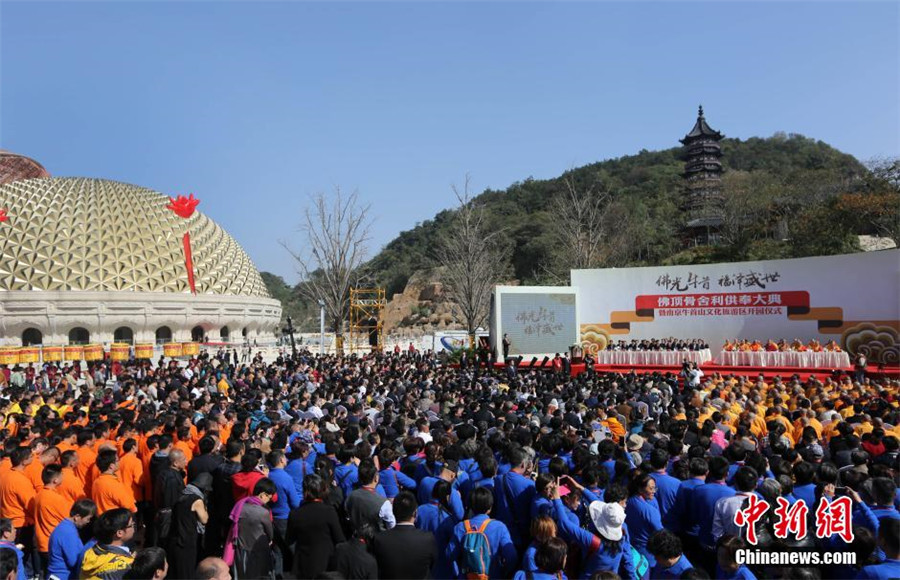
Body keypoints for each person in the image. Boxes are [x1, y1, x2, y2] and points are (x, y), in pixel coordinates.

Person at [445, 486, 517, 579]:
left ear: (471, 506)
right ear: (490, 508)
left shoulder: (461, 527)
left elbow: (449, 555)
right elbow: (511, 556)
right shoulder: (499, 527)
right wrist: (503, 571)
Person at [286, 474, 346, 579]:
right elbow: (339, 538)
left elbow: (289, 539)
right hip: (325, 562)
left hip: (303, 565)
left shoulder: (295, 514)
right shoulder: (329, 511)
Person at [372, 491, 437, 579]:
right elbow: (433, 563)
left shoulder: (379, 539)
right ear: (415, 513)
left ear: (394, 512)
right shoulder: (428, 539)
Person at [167, 473, 211, 580]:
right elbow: (204, 519)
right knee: (187, 570)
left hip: (175, 537)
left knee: (177, 570)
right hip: (187, 539)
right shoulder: (197, 500)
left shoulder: (182, 495)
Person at [265, 450, 300, 578]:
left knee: (277, 550)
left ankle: (277, 576)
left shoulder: (268, 476)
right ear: (281, 460)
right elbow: (295, 502)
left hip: (271, 518)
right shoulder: (286, 478)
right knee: (293, 548)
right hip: (284, 518)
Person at [231, 478, 275, 580]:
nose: (268, 500)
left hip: (240, 549)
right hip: (258, 551)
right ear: (262, 494)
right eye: (269, 497)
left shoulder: (240, 505)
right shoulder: (263, 512)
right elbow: (270, 534)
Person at [47, 499, 97, 580]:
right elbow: (75, 561)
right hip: (62, 576)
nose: (88, 522)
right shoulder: (68, 532)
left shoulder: (66, 527)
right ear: (77, 517)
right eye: (88, 518)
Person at [80, 508, 136, 580]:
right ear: (119, 533)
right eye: (131, 525)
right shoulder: (124, 565)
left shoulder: (89, 552)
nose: (134, 526)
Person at [346, 459, 395, 531]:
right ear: (376, 478)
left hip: (357, 534)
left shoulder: (350, 496)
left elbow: (348, 514)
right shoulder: (384, 503)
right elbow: (391, 525)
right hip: (377, 537)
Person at [93, 449, 138, 514]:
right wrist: (134, 509)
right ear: (111, 466)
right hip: (114, 519)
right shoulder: (112, 484)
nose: (119, 462)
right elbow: (128, 505)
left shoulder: (96, 482)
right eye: (117, 461)